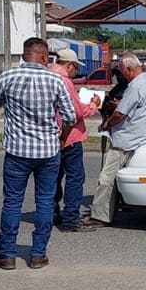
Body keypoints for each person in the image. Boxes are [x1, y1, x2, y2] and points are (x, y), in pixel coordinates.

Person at [0, 37, 76, 269]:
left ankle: (6, 255)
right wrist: (57, 131)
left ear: (24, 54)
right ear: (45, 56)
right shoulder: (55, 80)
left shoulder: (7, 76)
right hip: (48, 151)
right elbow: (70, 116)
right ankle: (37, 254)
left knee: (12, 202)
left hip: (17, 151)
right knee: (45, 202)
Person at [79, 53, 146, 230]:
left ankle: (100, 215)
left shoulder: (135, 87)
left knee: (106, 179)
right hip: (143, 138)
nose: (122, 76)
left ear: (129, 70)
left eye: (123, 72)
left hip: (126, 140)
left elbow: (119, 114)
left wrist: (106, 125)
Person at [50, 48, 102, 232]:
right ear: (69, 65)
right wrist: (93, 105)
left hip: (51, 137)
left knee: (53, 178)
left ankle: (51, 213)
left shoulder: (48, 77)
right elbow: (75, 112)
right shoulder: (65, 81)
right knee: (75, 177)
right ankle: (71, 218)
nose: (76, 72)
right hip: (70, 135)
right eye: (75, 68)